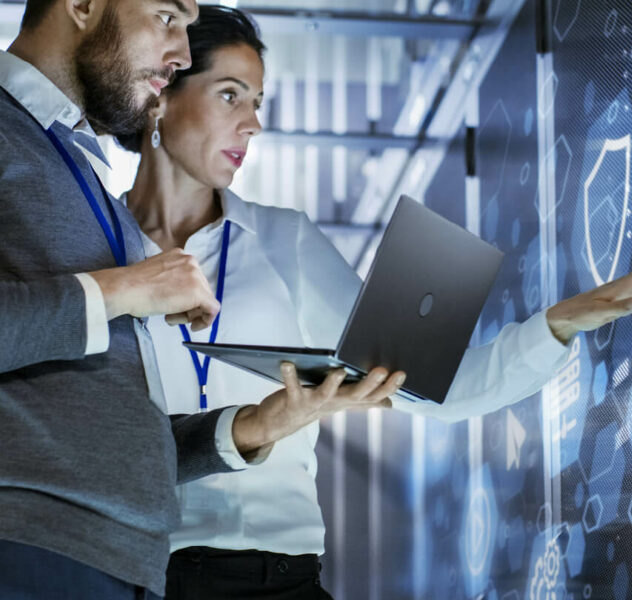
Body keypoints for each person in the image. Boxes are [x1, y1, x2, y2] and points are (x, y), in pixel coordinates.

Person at [116, 6, 632, 599]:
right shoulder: (95, 254)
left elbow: (437, 390)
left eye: (257, 103)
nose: (252, 125)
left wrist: (568, 319)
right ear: (161, 93)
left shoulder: (283, 241)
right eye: (231, 96)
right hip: (133, 577)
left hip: (280, 580)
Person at [0, 1, 401, 598]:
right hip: (36, 546)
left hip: (119, 563)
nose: (182, 53)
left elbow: (106, 429)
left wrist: (251, 428)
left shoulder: (79, 172)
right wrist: (126, 288)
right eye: (167, 16)